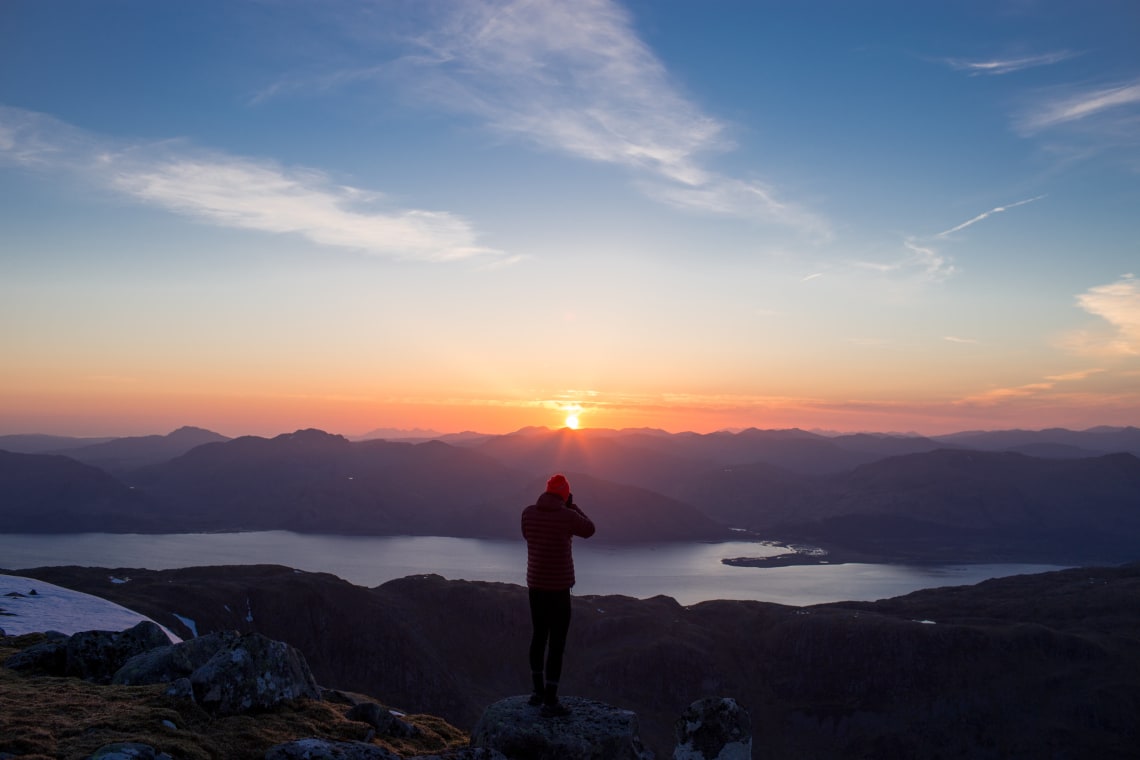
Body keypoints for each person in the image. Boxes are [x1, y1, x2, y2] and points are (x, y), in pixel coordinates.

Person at [521, 473, 595, 717]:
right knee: (557, 642)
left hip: (535, 587)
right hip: (559, 588)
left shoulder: (528, 513)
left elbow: (528, 536)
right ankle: (551, 701)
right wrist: (572, 506)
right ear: (564, 494)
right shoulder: (568, 516)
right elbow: (589, 529)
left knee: (538, 636)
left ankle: (537, 692)